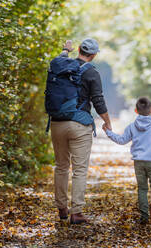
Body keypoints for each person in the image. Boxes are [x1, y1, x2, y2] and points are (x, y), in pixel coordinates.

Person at [51, 39, 112, 224]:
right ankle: (76, 212)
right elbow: (98, 100)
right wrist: (107, 122)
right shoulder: (92, 72)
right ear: (93, 55)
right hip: (79, 125)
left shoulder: (61, 66)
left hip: (57, 123)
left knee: (61, 166)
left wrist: (64, 50)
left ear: (78, 50)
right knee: (79, 169)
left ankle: (62, 208)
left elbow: (57, 61)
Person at [102, 97, 151, 224]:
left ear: (136, 110)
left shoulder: (132, 127)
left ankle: (144, 217)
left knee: (142, 189)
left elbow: (121, 140)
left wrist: (109, 132)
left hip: (138, 162)